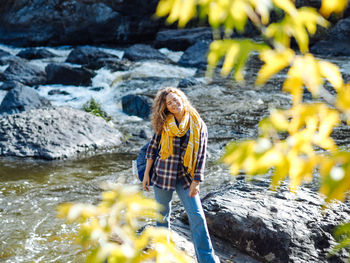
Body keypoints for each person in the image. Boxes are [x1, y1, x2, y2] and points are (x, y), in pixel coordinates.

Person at [143, 87, 218, 263]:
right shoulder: (164, 123)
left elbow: (201, 155)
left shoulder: (198, 124)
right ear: (166, 107)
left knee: (197, 217)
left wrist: (197, 181)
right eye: (169, 103)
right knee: (162, 218)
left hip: (186, 178)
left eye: (176, 100)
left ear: (183, 100)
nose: (174, 104)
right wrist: (146, 174)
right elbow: (152, 148)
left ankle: (207, 260)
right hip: (162, 175)